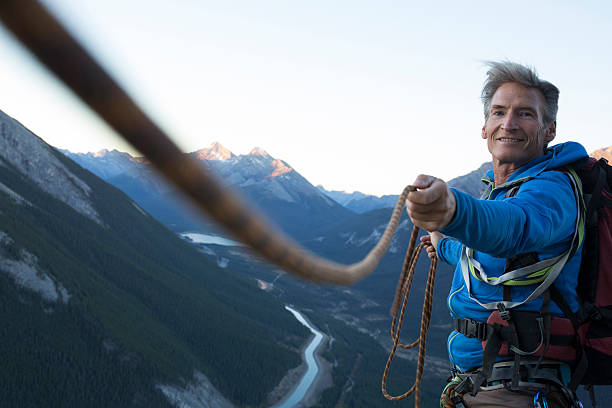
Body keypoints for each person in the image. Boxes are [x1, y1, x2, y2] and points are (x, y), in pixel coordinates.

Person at [405, 61, 588, 407]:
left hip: (517, 388)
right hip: (490, 383)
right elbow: (486, 256)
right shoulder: (502, 192)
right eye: (499, 112)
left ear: (550, 130)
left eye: (525, 114)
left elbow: (513, 228)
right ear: (485, 126)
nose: (508, 124)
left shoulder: (553, 189)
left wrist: (453, 210)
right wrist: (442, 243)